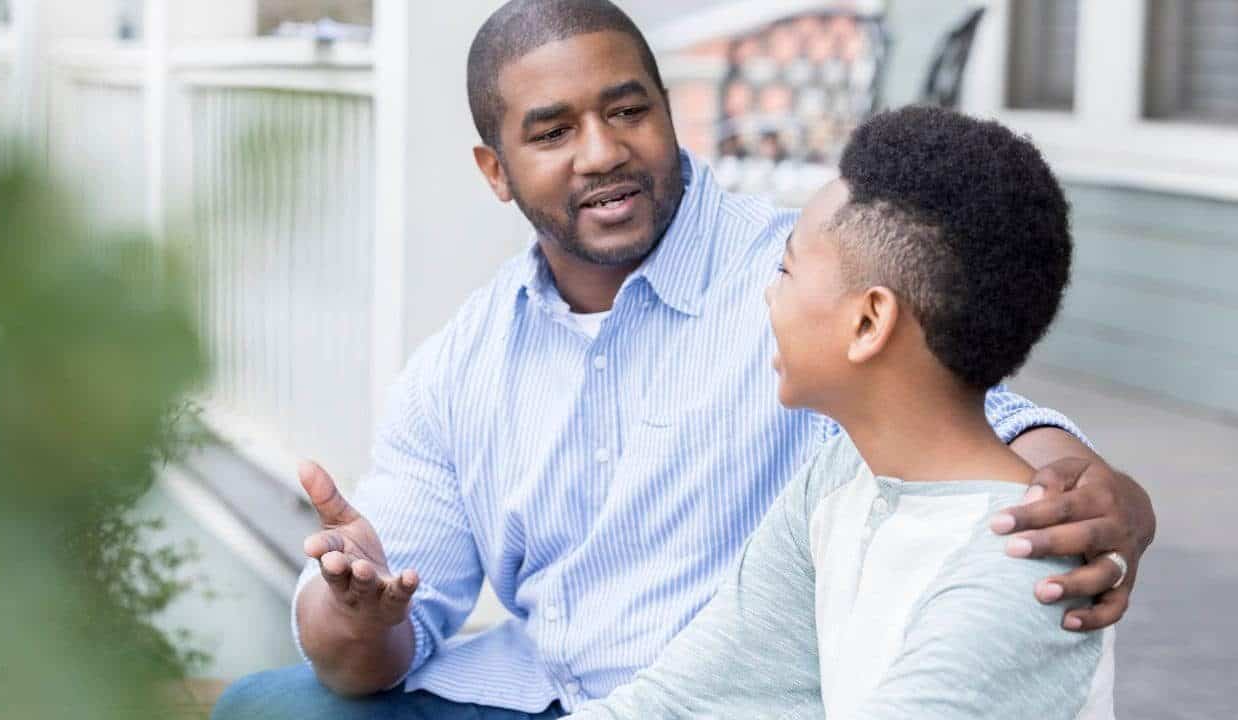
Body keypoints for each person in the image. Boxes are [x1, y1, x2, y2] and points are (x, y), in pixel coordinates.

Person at [212, 2, 1155, 718]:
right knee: (270, 702)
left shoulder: (798, 280)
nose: (602, 153)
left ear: (668, 111)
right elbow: (370, 644)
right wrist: (359, 620)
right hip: (535, 692)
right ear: (494, 170)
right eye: (551, 130)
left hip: (733, 696)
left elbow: (951, 406)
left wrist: (1089, 487)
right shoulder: (462, 365)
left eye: (629, 111)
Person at [571, 106, 1115, 720]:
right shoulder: (840, 478)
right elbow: (678, 701)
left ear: (868, 322)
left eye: (786, 269)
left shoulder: (1020, 566)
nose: (768, 293)